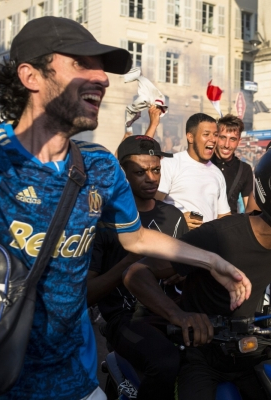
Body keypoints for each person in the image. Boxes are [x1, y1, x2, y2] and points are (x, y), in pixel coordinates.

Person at [0, 16, 250, 400]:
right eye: (80, 64)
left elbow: (137, 236)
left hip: (77, 380)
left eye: (101, 67)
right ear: (31, 76)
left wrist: (213, 261)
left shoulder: (100, 167)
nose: (102, 78)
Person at [123, 143, 271, 400]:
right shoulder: (219, 237)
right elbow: (136, 273)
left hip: (251, 351)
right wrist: (180, 316)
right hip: (202, 357)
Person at [88, 135, 188, 400]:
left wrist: (184, 270)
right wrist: (131, 260)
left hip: (175, 312)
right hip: (127, 319)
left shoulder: (175, 217)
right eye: (140, 171)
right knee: (165, 362)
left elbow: (189, 271)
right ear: (123, 173)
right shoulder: (104, 222)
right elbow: (88, 294)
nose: (151, 178)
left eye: (155, 169)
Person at [157, 113, 231, 229]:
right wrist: (178, 220)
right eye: (206, 134)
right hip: (177, 244)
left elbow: (224, 216)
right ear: (190, 137)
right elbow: (151, 205)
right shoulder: (170, 164)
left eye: (215, 135)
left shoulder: (217, 173)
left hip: (207, 244)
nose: (213, 139)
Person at [210, 114, 254, 214]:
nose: (227, 145)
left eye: (233, 139)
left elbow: (249, 209)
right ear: (216, 137)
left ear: (239, 141)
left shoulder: (245, 169)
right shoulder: (204, 163)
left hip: (229, 226)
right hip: (202, 226)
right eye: (223, 137)